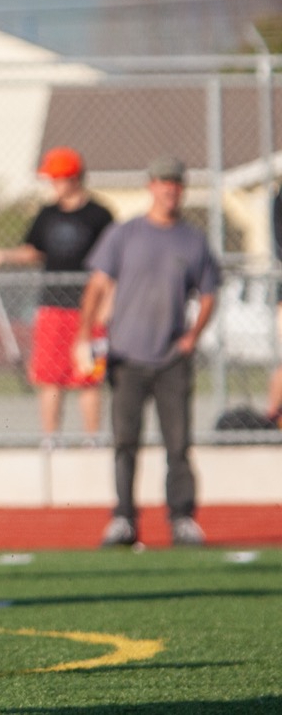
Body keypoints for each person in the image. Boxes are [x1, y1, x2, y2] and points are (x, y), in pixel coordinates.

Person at [78, 155, 219, 549]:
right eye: (162, 181)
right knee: (125, 441)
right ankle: (123, 520)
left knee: (178, 442)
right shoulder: (124, 234)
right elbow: (97, 286)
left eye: (175, 183)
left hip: (172, 358)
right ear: (150, 186)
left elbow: (209, 292)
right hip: (126, 357)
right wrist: (84, 336)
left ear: (182, 189)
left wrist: (193, 334)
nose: (169, 189)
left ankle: (182, 518)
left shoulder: (192, 240)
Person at [0, 146, 114, 445]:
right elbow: (33, 251)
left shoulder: (99, 215)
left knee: (88, 378)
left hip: (89, 310)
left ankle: (92, 439)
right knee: (50, 377)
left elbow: (112, 266)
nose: (53, 184)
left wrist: (106, 307)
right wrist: (0, 255)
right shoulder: (47, 214)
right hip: (52, 307)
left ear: (74, 178)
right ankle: (50, 439)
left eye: (58, 178)